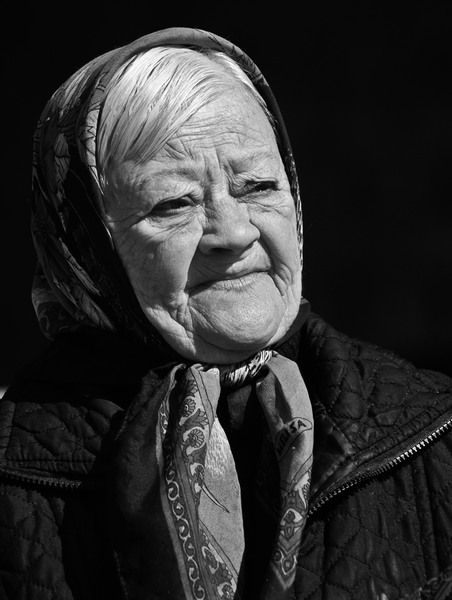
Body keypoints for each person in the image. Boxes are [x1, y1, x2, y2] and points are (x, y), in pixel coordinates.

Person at [0, 26, 451, 600]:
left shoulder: (433, 431)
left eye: (257, 186)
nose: (234, 233)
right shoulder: (13, 472)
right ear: (85, 249)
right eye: (174, 204)